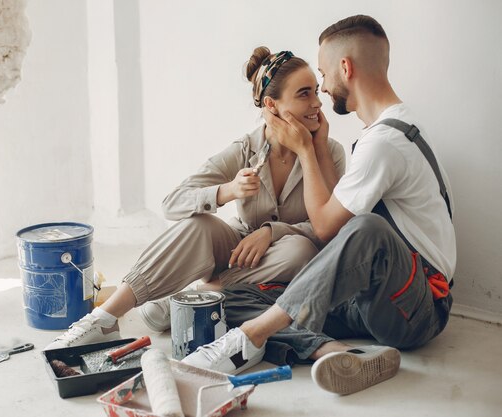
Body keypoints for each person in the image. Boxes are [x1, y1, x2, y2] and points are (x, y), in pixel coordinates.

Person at [182, 15, 456, 396]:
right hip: (378, 297)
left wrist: (305, 151)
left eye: (324, 76)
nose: (324, 89)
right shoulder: (386, 131)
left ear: (346, 67)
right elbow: (337, 220)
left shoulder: (384, 143)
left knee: (368, 228)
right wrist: (315, 146)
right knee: (236, 297)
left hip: (418, 308)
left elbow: (330, 228)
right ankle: (336, 352)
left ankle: (251, 336)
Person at [45, 47, 345, 350]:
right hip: (238, 251)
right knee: (199, 226)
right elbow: (172, 203)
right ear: (272, 104)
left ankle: (202, 292)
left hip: (284, 261)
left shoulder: (329, 151)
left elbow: (333, 230)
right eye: (304, 94)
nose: (318, 103)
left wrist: (272, 230)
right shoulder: (244, 150)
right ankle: (105, 318)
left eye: (316, 92)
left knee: (300, 250)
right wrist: (227, 191)